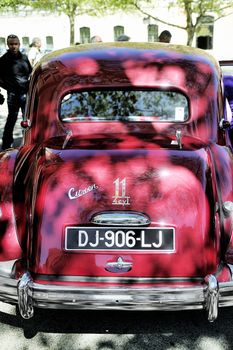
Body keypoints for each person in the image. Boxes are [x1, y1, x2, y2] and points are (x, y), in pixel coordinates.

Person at [0, 34, 32, 150]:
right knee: (11, 118)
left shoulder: (24, 57)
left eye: (16, 44)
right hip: (13, 95)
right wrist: (6, 88)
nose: (14, 46)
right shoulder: (3, 60)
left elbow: (30, 73)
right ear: (7, 45)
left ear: (19, 44)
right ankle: (6, 144)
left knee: (27, 119)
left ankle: (29, 143)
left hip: (25, 93)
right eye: (11, 44)